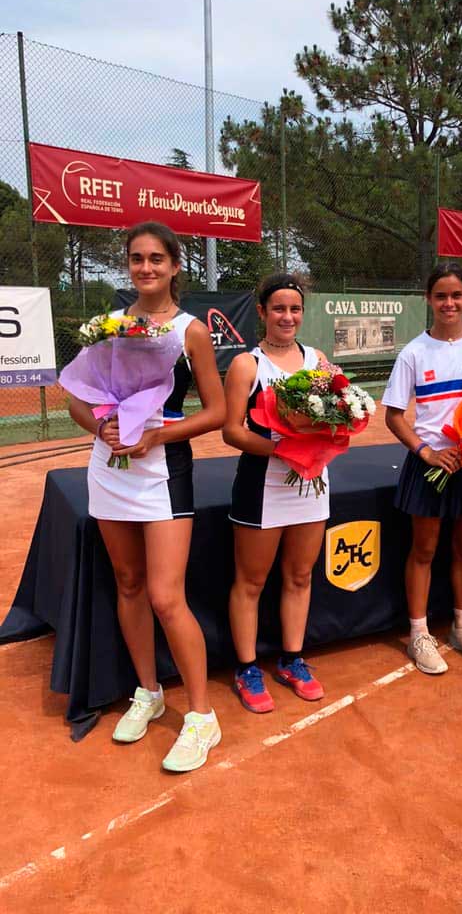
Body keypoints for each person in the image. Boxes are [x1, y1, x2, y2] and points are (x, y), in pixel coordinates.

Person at [67, 221, 226, 771]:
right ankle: (148, 692)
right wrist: (101, 428)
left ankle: (202, 717)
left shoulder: (191, 332)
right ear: (128, 264)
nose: (146, 268)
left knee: (165, 596)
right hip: (110, 466)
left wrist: (157, 433)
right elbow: (78, 402)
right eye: (137, 259)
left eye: (157, 259)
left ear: (176, 266)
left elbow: (217, 412)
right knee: (129, 584)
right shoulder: (107, 326)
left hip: (163, 469)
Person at [383, 261, 462, 675]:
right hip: (432, 464)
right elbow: (394, 416)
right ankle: (419, 634)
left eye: (456, 295)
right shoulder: (414, 353)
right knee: (423, 550)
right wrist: (426, 452)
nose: (449, 303)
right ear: (428, 299)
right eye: (441, 296)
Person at [222, 274, 327, 713]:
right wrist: (281, 447)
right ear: (262, 312)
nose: (288, 316)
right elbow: (231, 431)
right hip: (261, 483)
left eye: (295, 309)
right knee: (251, 581)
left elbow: (333, 417)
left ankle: (291, 659)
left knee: (300, 577)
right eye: (279, 309)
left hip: (311, 483)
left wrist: (326, 437)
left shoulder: (318, 359)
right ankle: (247, 667)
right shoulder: (247, 365)